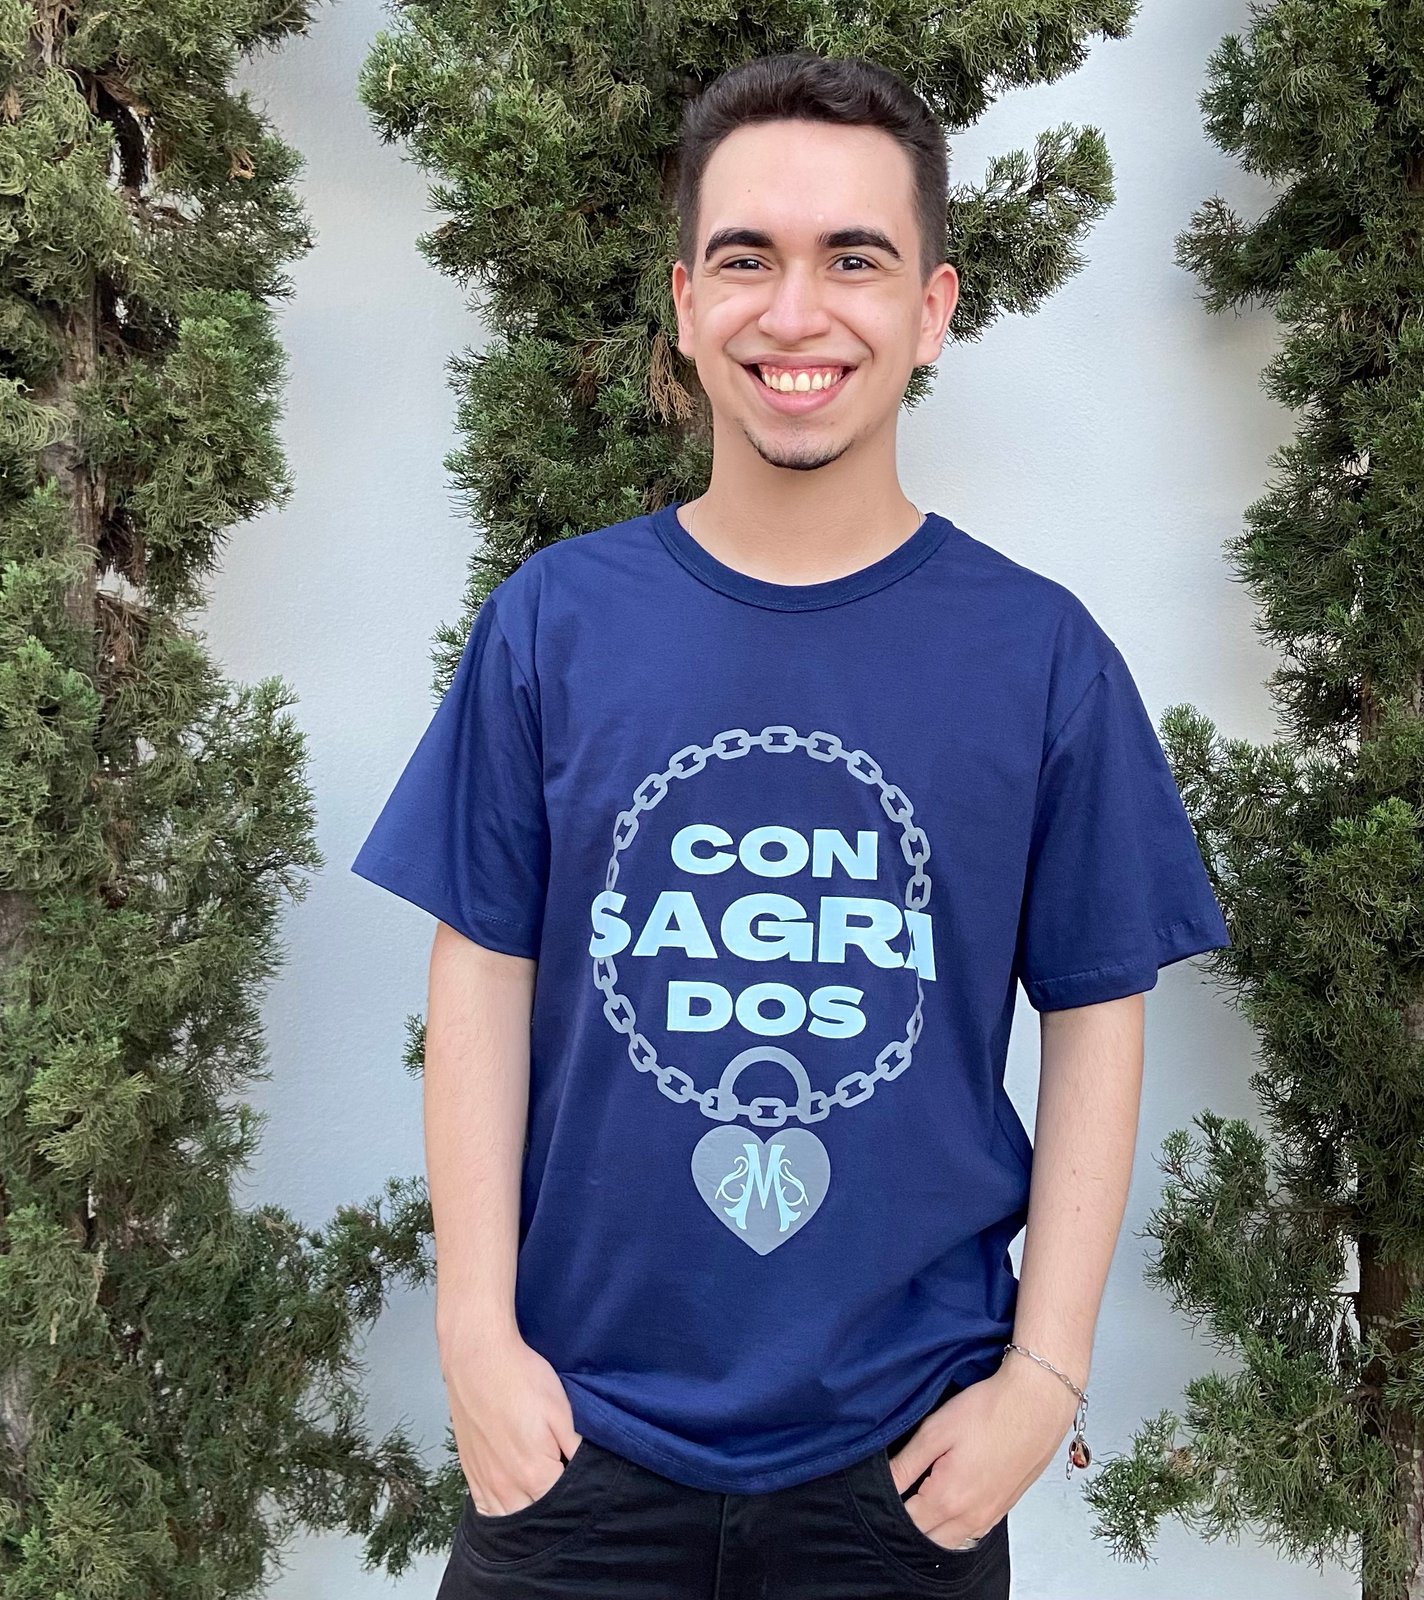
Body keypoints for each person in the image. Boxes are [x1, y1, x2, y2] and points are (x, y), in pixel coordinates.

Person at [351, 49, 1232, 1600]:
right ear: (687, 302)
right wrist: (473, 1334)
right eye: (748, 258)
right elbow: (480, 967)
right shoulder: (553, 624)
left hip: (901, 1468)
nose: (797, 311)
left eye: (855, 260)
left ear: (934, 308)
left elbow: (1099, 1006)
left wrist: (1047, 1378)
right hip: (574, 1447)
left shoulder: (1039, 657)